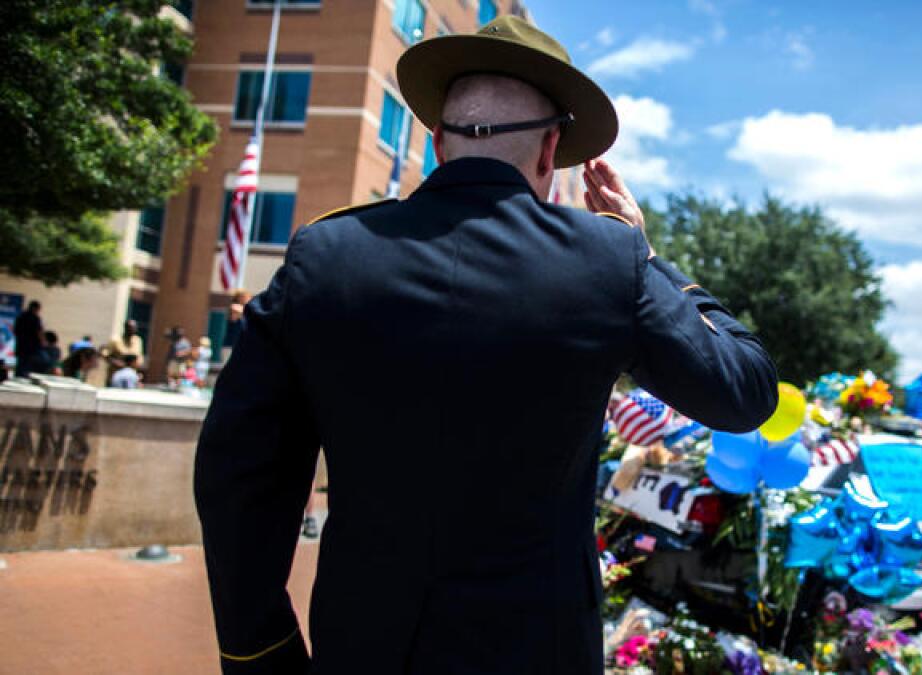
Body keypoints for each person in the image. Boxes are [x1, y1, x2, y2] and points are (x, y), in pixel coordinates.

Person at [194, 16, 777, 675]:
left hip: (366, 649)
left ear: (439, 142)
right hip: (540, 651)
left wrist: (260, 653)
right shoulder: (608, 262)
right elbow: (746, 391)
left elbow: (238, 474)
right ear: (549, 149)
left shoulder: (323, 256)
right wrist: (649, 257)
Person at [102, 320, 144, 385]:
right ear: (125, 328)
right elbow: (105, 354)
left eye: (134, 329)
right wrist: (117, 363)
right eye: (130, 328)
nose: (132, 331)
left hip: (131, 379)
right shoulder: (116, 340)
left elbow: (139, 358)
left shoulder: (137, 340)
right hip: (115, 378)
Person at [13, 300, 44, 377]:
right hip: (31, 347)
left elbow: (15, 330)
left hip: (21, 344)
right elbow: (38, 332)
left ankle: (18, 377)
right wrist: (42, 342)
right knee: (27, 366)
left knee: (20, 364)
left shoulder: (20, 317)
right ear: (35, 308)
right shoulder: (35, 318)